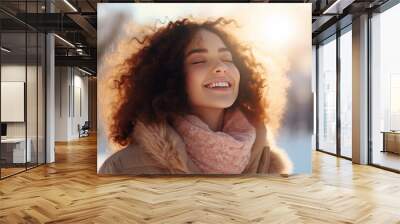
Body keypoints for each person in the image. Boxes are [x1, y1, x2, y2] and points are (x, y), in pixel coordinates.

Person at [99, 18, 293, 175]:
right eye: (199, 60)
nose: (221, 67)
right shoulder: (122, 167)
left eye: (227, 59)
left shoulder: (267, 162)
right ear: (171, 77)